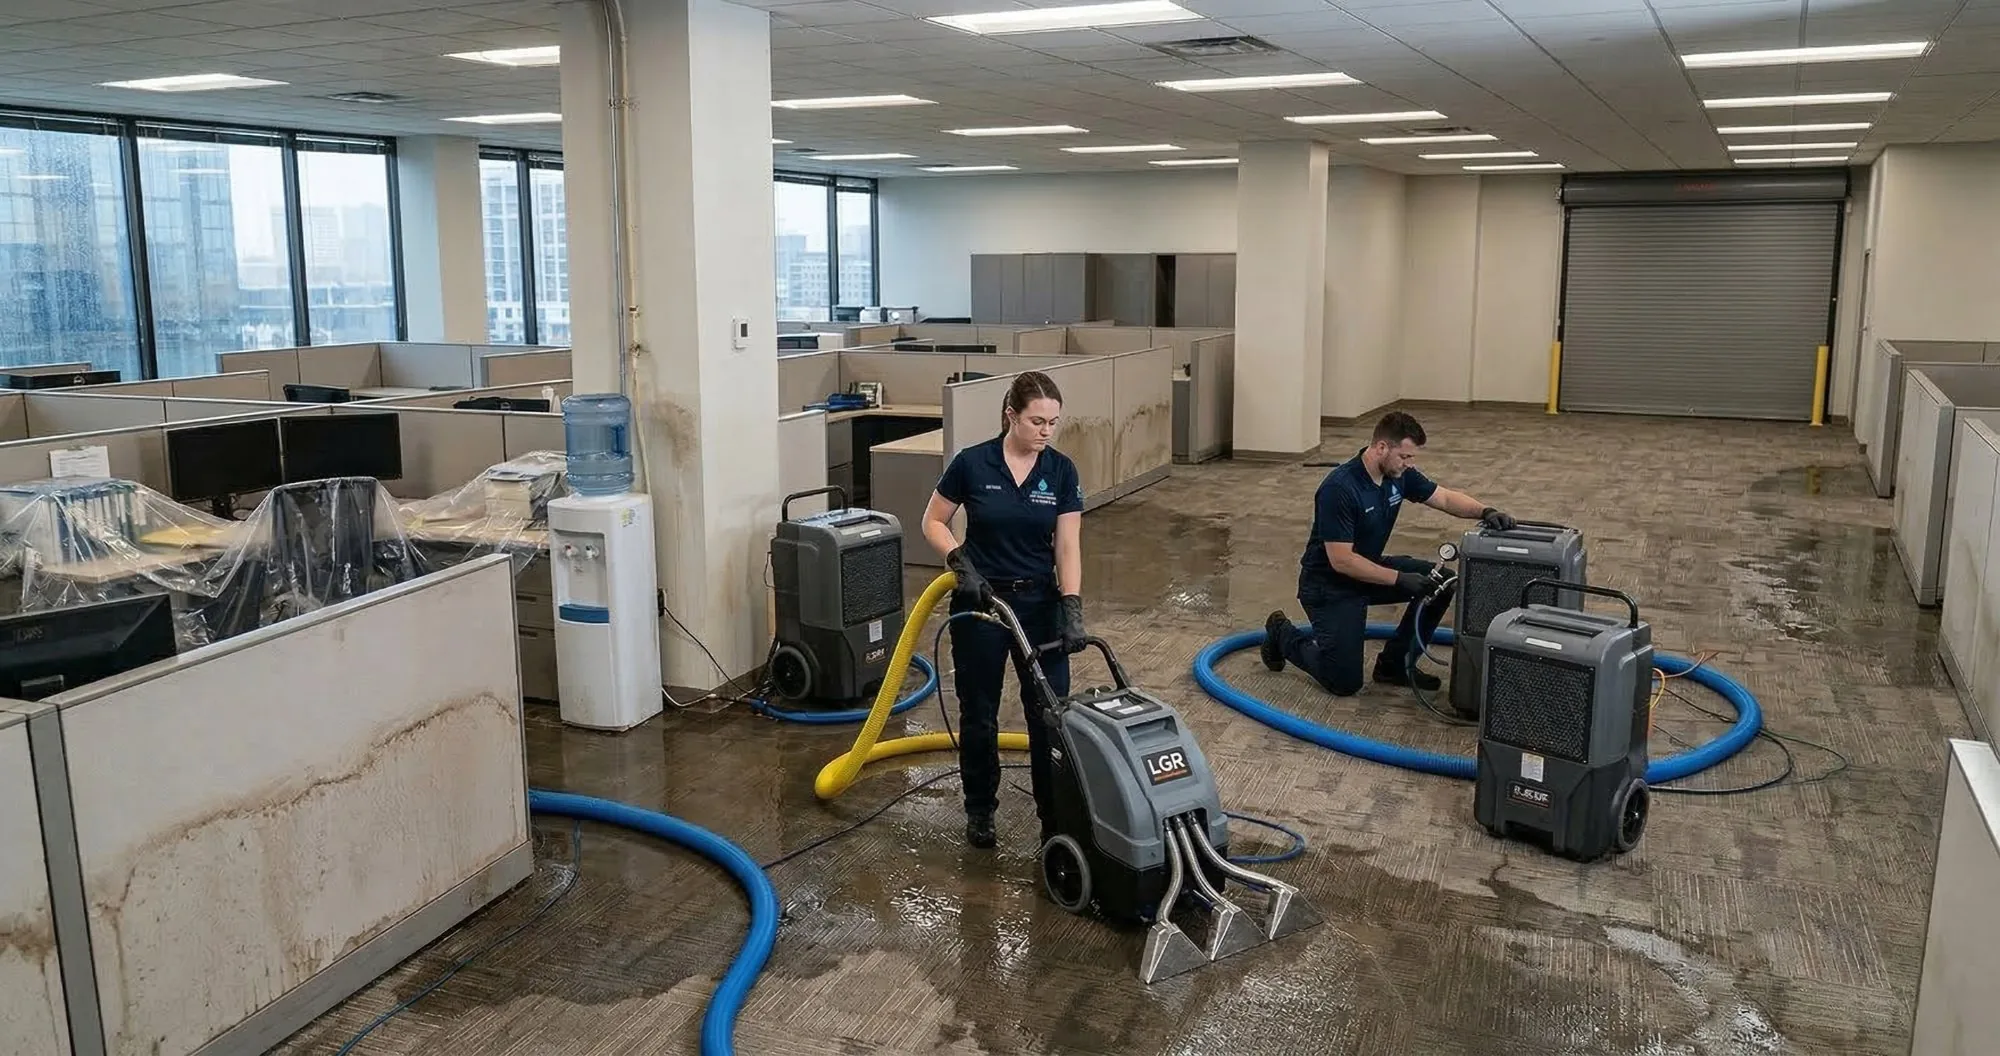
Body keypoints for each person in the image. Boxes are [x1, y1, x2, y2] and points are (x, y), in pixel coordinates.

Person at [921, 371, 1088, 849]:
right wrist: (958, 561)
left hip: (1040, 603)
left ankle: (1053, 817)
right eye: (1037, 421)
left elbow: (1068, 545)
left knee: (1050, 713)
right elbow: (933, 520)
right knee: (980, 712)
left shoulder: (1061, 470)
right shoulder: (972, 464)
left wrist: (1071, 603)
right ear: (1010, 415)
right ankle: (980, 810)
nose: (1046, 431)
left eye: (1053, 423)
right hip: (981, 602)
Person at [1262, 410, 1516, 697]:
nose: (1409, 464)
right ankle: (1282, 633)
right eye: (1405, 457)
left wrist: (1485, 510)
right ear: (1381, 447)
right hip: (1329, 586)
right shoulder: (1340, 488)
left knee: (1443, 583)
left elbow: (1444, 497)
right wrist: (1398, 578)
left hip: (1367, 570)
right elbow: (1341, 560)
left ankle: (1395, 666)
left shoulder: (1398, 474)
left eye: (1412, 458)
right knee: (1344, 682)